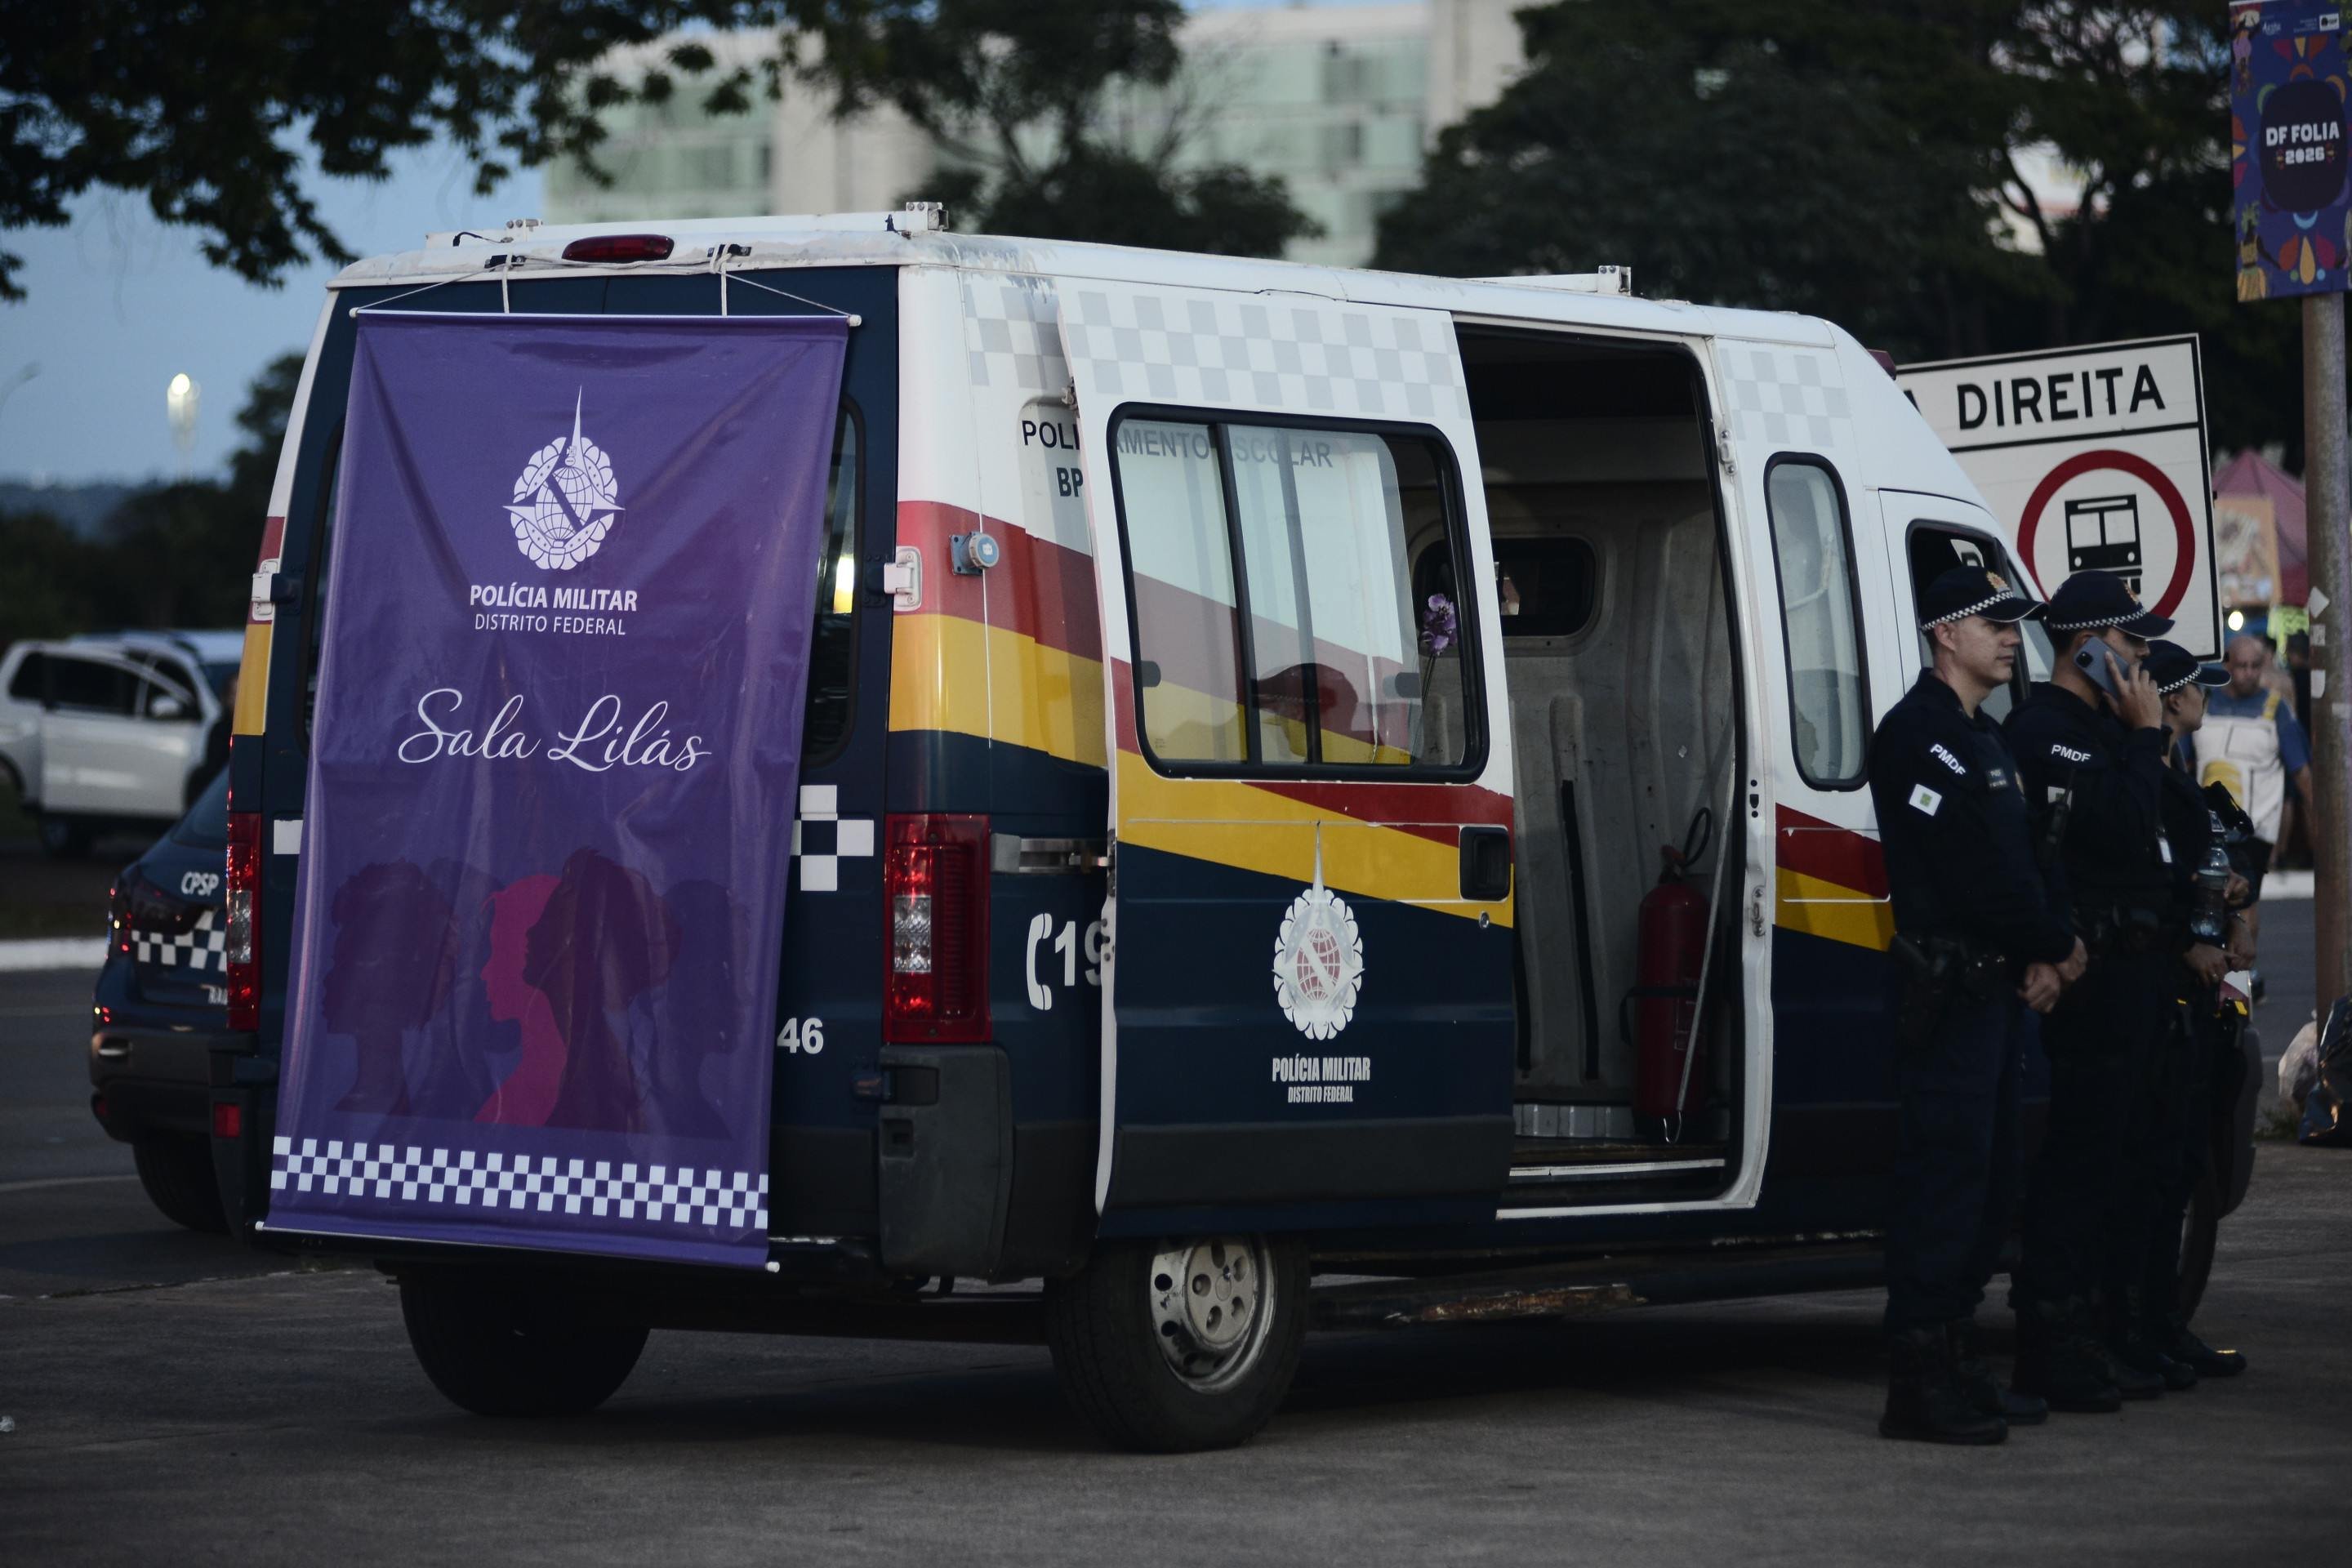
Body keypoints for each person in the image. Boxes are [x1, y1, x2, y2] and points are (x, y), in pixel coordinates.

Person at [1867, 566, 2083, 1444]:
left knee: (1990, 1186)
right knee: (1946, 1182)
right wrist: (2052, 943)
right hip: (1950, 993)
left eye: (2010, 623)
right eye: (1991, 622)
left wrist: (2049, 947)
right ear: (1944, 633)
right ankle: (1918, 1383)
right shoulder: (1918, 735)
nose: (2007, 636)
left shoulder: (1984, 738)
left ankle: (1957, 1357)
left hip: (1996, 989)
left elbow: (2032, 860)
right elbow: (1976, 874)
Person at [2004, 571, 2177, 1411]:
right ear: (2089, 650)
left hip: (2133, 979)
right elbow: (2123, 826)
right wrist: (2146, 737)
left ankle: (2104, 1331)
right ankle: (2052, 1340)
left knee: (2121, 1161)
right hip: (2089, 983)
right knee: (2079, 1165)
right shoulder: (2046, 730)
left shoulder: (2102, 731)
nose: (2142, 661)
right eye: (2131, 643)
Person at [2142, 640, 2253, 1383]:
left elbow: (2208, 866)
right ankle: (2142, 1326)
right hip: (2161, 991)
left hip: (2199, 996)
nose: (2204, 697)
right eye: (2197, 687)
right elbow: (2151, 880)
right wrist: (2190, 939)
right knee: (2152, 1173)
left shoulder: (2180, 772)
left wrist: (2234, 901)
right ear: (2173, 697)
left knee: (2180, 1167)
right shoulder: (2144, 774)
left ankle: (2163, 1325)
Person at [2195, 635, 2314, 931]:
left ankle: (2244, 959)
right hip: (2206, 825)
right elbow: (2182, 760)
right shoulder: (2204, 704)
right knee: (2207, 901)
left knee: (2244, 903)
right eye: (2241, 666)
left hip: (2254, 831)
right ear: (2228, 665)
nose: (2248, 673)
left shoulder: (2276, 709)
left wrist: (2322, 831)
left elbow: (2301, 772)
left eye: (2255, 666)